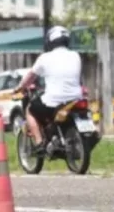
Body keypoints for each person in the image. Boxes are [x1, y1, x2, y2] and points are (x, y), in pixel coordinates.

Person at [13, 25, 83, 154]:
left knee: (30, 110)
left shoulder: (45, 57)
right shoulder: (76, 55)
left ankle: (39, 143)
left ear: (50, 41)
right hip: (76, 99)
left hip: (55, 100)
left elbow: (30, 76)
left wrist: (20, 87)